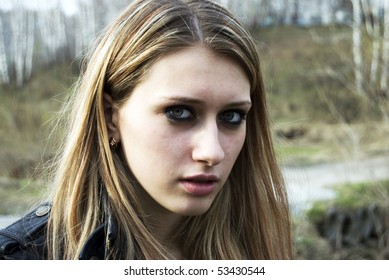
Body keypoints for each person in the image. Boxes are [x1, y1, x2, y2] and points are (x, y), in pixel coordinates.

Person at [0, 0, 292, 260]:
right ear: (110, 117)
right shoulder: (26, 259)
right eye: (179, 113)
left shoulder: (258, 245)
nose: (212, 152)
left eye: (231, 116)